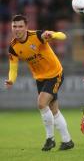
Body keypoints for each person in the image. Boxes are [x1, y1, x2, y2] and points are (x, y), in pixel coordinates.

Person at [5, 15, 74, 151]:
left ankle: (50, 139)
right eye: (14, 26)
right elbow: (13, 68)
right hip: (40, 78)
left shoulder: (37, 36)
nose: (17, 29)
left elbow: (63, 36)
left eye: (20, 26)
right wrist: (11, 79)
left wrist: (52, 34)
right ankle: (67, 141)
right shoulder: (13, 47)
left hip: (55, 74)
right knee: (54, 110)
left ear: (26, 27)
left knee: (41, 103)